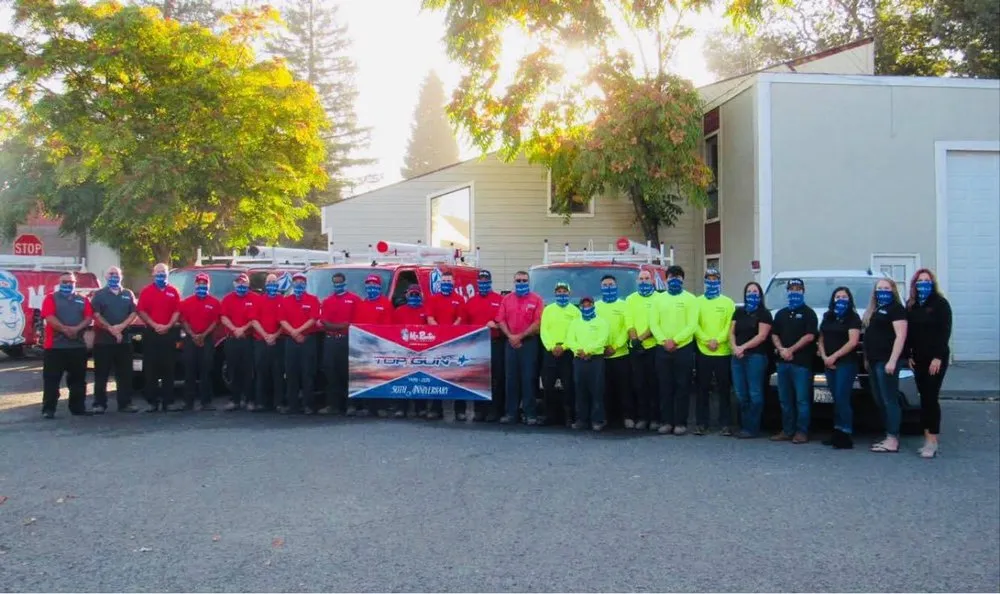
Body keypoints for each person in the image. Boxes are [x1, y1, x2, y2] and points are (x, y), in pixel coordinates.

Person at [905, 268, 952, 459]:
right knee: (924, 398)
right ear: (914, 285)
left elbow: (945, 331)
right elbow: (909, 334)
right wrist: (908, 354)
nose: (923, 284)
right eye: (919, 281)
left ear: (932, 283)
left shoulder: (940, 304)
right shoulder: (912, 305)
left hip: (935, 359)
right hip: (918, 359)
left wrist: (938, 357)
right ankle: (926, 438)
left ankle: (932, 441)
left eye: (927, 281)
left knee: (931, 398)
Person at [649, 265, 697, 436]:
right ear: (666, 279)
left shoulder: (691, 299)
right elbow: (653, 324)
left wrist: (675, 341)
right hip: (662, 349)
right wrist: (664, 341)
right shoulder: (658, 300)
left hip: (683, 348)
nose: (674, 281)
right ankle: (666, 421)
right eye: (671, 278)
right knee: (664, 386)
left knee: (682, 386)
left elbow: (692, 325)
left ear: (683, 280)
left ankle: (680, 423)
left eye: (678, 278)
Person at [770, 278, 819, 444]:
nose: (795, 292)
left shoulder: (809, 313)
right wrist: (782, 349)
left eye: (798, 289)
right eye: (792, 289)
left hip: (801, 364)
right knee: (785, 399)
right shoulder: (781, 313)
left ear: (803, 291)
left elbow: (810, 336)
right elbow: (774, 334)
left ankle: (801, 432)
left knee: (802, 400)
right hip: (783, 363)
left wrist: (791, 350)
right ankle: (787, 430)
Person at [863, 277, 908, 454]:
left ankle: (892, 438)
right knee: (879, 399)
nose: (882, 291)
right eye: (879, 288)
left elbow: (900, 336)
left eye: (886, 288)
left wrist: (892, 360)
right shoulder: (874, 310)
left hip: (887, 362)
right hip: (874, 361)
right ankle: (888, 434)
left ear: (893, 290)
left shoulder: (896, 309)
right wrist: (866, 358)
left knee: (890, 399)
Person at [40, 272, 93, 419]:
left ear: (75, 283)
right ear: (59, 282)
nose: (68, 284)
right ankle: (49, 409)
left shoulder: (82, 300)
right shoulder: (51, 298)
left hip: (77, 347)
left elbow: (88, 318)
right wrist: (65, 329)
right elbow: (49, 317)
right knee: (52, 380)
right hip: (55, 348)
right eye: (65, 282)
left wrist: (76, 329)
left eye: (71, 282)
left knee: (78, 381)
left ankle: (78, 408)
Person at [817, 286, 862, 449]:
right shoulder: (827, 316)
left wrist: (834, 356)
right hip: (829, 363)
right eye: (838, 297)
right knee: (835, 398)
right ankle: (837, 432)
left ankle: (846, 433)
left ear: (849, 299)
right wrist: (825, 357)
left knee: (843, 398)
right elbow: (821, 338)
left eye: (844, 297)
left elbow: (853, 342)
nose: (840, 300)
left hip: (846, 363)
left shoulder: (853, 318)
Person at [90, 266, 139, 414]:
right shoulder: (99, 295)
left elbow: (133, 313)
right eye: (111, 274)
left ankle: (125, 404)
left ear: (121, 276)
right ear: (106, 276)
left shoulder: (128, 294)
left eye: (117, 274)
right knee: (101, 375)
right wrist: (112, 329)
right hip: (103, 342)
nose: (114, 276)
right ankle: (99, 404)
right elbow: (96, 315)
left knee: (125, 375)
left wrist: (121, 327)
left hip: (124, 342)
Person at [693, 268, 736, 436]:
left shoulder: (728, 302)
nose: (712, 282)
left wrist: (717, 340)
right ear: (704, 282)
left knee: (724, 390)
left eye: (715, 279)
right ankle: (701, 423)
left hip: (722, 352)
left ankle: (725, 424)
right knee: (702, 389)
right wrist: (706, 340)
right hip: (703, 352)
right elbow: (694, 324)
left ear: (719, 281)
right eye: (709, 279)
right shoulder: (697, 302)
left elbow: (729, 326)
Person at [497, 271, 543, 425]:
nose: (521, 283)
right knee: (511, 379)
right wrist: (510, 336)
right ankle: (511, 413)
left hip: (529, 343)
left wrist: (520, 336)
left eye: (524, 280)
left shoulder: (536, 299)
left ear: (528, 282)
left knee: (528, 379)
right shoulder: (507, 299)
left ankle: (530, 414)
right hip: (510, 342)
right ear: (514, 282)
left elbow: (537, 323)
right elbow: (501, 320)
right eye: (518, 280)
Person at [136, 263, 184, 412]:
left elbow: (177, 311)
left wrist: (168, 325)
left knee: (168, 368)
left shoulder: (173, 291)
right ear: (153, 274)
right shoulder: (146, 291)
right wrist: (154, 324)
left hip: (169, 334)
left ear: (168, 274)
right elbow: (141, 311)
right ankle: (152, 402)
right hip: (151, 333)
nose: (161, 275)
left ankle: (168, 402)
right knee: (151, 369)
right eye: (158, 273)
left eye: (163, 272)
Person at [729, 282, 772, 438]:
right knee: (741, 393)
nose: (751, 294)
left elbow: (761, 336)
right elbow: (731, 332)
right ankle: (744, 425)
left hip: (755, 357)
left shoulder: (764, 314)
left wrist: (743, 347)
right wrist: (734, 347)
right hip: (737, 357)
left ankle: (752, 428)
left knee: (755, 393)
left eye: (755, 291)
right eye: (749, 291)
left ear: (760, 295)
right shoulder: (739, 312)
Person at [462, 270, 505, 421]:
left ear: (491, 282)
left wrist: (497, 324)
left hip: (495, 344)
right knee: (478, 378)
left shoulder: (500, 300)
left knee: (496, 378)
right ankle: (480, 410)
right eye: (481, 282)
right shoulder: (471, 301)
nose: (484, 284)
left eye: (486, 281)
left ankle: (495, 411)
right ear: (477, 283)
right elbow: (464, 325)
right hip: (477, 345)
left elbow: (504, 321)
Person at [426, 270, 466, 420]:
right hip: (437, 343)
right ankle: (436, 409)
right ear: (440, 283)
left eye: (449, 282)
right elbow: (430, 318)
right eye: (444, 282)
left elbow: (460, 318)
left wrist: (450, 334)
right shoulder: (433, 299)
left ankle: (460, 411)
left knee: (458, 376)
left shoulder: (459, 299)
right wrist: (440, 334)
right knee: (437, 375)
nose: (447, 284)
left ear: (453, 283)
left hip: (455, 343)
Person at [566, 296, 610, 431]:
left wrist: (589, 351)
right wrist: (579, 350)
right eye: (584, 306)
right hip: (579, 359)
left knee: (597, 390)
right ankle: (581, 420)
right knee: (580, 390)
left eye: (589, 305)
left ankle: (598, 420)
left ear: (593, 306)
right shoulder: (575, 322)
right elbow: (570, 339)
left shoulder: (601, 322)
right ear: (580, 307)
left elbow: (602, 339)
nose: (586, 308)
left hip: (595, 359)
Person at [178, 273, 221, 411]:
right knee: (189, 371)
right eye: (199, 283)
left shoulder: (214, 302)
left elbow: (216, 322)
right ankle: (188, 402)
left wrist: (203, 335)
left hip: (207, 340)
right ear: (195, 285)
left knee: (206, 371)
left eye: (204, 283)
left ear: (208, 285)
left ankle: (206, 402)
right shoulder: (186, 302)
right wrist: (193, 335)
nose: (202, 286)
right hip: (190, 340)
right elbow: (183, 320)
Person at [279, 272, 320, 414]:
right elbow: (282, 320)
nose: (299, 284)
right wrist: (293, 332)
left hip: (308, 340)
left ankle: (308, 405)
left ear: (305, 284)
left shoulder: (313, 299)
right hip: (291, 340)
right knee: (291, 373)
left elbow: (314, 318)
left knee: (307, 373)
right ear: (292, 284)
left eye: (301, 282)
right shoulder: (285, 300)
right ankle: (292, 405)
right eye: (296, 282)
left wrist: (299, 331)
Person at [624, 270, 660, 431]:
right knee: (638, 384)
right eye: (641, 279)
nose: (644, 281)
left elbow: (656, 322)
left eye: (647, 278)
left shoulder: (659, 298)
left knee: (654, 384)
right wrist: (634, 340)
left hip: (652, 347)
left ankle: (655, 418)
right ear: (637, 281)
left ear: (652, 281)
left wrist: (642, 338)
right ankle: (642, 417)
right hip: (635, 348)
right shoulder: (630, 299)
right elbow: (629, 321)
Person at [540, 281, 579, 427]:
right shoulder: (548, 310)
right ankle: (549, 416)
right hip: (550, 352)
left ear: (569, 293)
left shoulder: (575, 311)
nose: (561, 294)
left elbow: (575, 332)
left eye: (564, 292)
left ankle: (569, 416)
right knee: (548, 386)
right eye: (559, 292)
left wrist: (564, 346)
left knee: (568, 386)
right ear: (555, 293)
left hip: (567, 352)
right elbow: (544, 331)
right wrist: (552, 347)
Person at [354, 274, 394, 416]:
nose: (372, 288)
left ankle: (382, 407)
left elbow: (388, 327)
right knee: (366, 376)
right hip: (364, 347)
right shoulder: (362, 304)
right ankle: (368, 406)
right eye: (369, 285)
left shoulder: (385, 304)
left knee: (380, 377)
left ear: (379, 287)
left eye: (374, 285)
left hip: (380, 346)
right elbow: (357, 326)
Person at [319, 272, 358, 416]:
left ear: (345, 282)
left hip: (347, 341)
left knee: (347, 373)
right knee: (330, 373)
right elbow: (324, 322)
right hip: (330, 341)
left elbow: (355, 323)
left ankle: (350, 406)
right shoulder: (327, 301)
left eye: (340, 282)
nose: (338, 285)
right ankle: (332, 405)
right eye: (335, 282)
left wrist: (339, 326)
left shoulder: (354, 300)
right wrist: (342, 325)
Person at [595, 274, 630, 428]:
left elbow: (626, 328)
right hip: (601, 354)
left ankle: (627, 417)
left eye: (611, 285)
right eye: (605, 285)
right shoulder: (596, 306)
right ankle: (607, 418)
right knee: (604, 389)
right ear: (601, 287)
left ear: (616, 286)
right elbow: (594, 328)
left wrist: (615, 346)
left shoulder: (624, 305)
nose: (608, 288)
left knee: (624, 387)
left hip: (621, 353)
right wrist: (601, 347)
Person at [393, 284, 433, 418]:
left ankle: (420, 408)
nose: (414, 297)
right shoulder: (399, 311)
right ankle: (401, 408)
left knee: (420, 379)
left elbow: (431, 329)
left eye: (417, 295)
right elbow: (391, 330)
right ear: (407, 295)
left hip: (421, 351)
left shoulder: (426, 310)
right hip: (402, 351)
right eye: (412, 294)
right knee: (402, 379)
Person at [220, 273, 257, 411]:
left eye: (244, 282)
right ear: (235, 284)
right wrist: (235, 329)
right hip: (232, 339)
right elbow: (223, 317)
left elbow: (255, 318)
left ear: (248, 284)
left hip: (248, 339)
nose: (241, 285)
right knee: (233, 370)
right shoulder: (227, 299)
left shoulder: (255, 298)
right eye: (239, 282)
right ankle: (235, 400)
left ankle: (249, 400)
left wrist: (243, 329)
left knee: (249, 371)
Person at [249, 273, 285, 412]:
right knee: (261, 372)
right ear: (265, 284)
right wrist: (265, 336)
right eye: (269, 282)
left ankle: (279, 403)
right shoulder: (258, 300)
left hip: (278, 341)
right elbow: (253, 320)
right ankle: (260, 402)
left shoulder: (283, 300)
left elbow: (285, 321)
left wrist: (275, 335)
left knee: (278, 373)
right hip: (260, 341)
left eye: (274, 282)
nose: (272, 284)